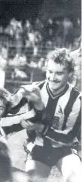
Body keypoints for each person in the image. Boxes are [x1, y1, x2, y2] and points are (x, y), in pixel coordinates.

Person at [11, 48, 81, 182]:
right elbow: (10, 108)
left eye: (59, 73)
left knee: (77, 179)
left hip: (65, 150)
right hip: (38, 149)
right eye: (50, 72)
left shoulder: (77, 99)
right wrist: (18, 95)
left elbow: (69, 137)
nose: (52, 78)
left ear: (70, 74)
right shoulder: (35, 89)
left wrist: (40, 128)